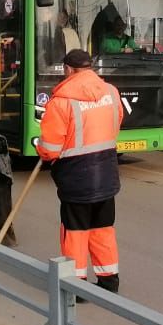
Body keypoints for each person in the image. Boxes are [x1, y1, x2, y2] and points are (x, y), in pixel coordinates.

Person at [36, 48, 125, 293]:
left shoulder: (60, 101)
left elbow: (50, 149)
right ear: (89, 67)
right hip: (106, 173)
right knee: (103, 229)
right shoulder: (110, 92)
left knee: (75, 232)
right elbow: (116, 122)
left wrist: (41, 149)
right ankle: (109, 281)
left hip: (76, 178)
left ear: (68, 69)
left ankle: (75, 286)